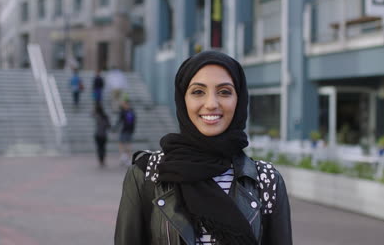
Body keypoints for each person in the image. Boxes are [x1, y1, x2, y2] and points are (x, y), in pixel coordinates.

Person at [114, 51, 292, 245]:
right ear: (183, 100)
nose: (211, 104)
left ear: (239, 100)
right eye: (198, 92)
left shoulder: (266, 180)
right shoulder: (148, 175)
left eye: (224, 92)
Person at [114, 98, 136, 166]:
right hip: (125, 130)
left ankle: (126, 157)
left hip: (127, 130)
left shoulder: (129, 112)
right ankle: (124, 156)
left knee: (126, 144)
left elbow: (132, 122)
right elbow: (120, 121)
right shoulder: (126, 112)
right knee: (122, 143)